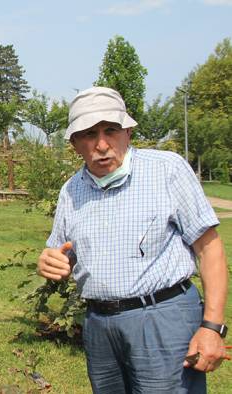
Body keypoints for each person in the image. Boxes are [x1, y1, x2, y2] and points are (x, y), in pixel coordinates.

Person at [37, 86, 228, 393]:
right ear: (74, 143)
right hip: (99, 324)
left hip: (162, 318)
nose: (101, 144)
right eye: (88, 134)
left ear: (127, 131)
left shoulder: (166, 170)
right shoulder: (71, 191)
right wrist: (51, 260)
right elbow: (62, 252)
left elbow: (210, 250)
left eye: (110, 130)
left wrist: (212, 327)